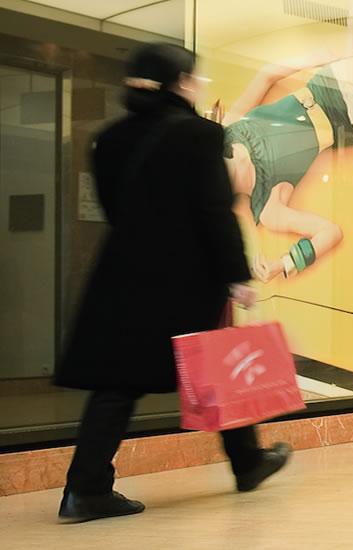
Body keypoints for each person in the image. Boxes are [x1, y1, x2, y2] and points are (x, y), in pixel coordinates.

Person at [53, 43, 292, 524]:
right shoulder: (199, 135)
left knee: (117, 382)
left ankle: (86, 487)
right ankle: (246, 462)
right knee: (216, 361)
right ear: (182, 82)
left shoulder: (109, 138)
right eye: (195, 79)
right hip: (183, 276)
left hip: (121, 274)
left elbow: (112, 207)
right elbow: (213, 211)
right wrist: (236, 274)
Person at [216, 0, 353, 281]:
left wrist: (311, 58)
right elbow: (330, 231)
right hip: (345, 115)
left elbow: (266, 75)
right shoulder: (267, 207)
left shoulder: (229, 130)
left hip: (324, 84)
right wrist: (283, 265)